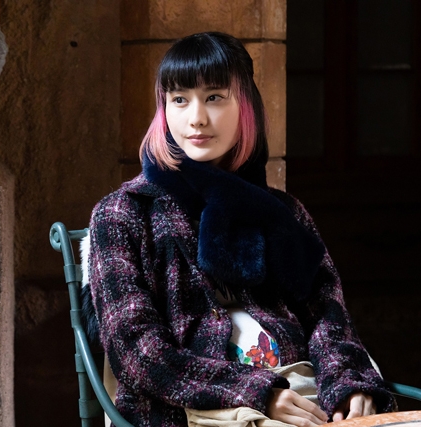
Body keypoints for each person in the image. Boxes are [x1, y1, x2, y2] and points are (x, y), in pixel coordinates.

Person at [84, 32, 396, 427]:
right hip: (191, 411)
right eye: (179, 99)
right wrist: (257, 392)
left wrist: (350, 385)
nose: (196, 118)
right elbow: (138, 352)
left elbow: (328, 315)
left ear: (246, 105)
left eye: (214, 97)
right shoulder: (123, 213)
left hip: (306, 397)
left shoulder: (282, 212)